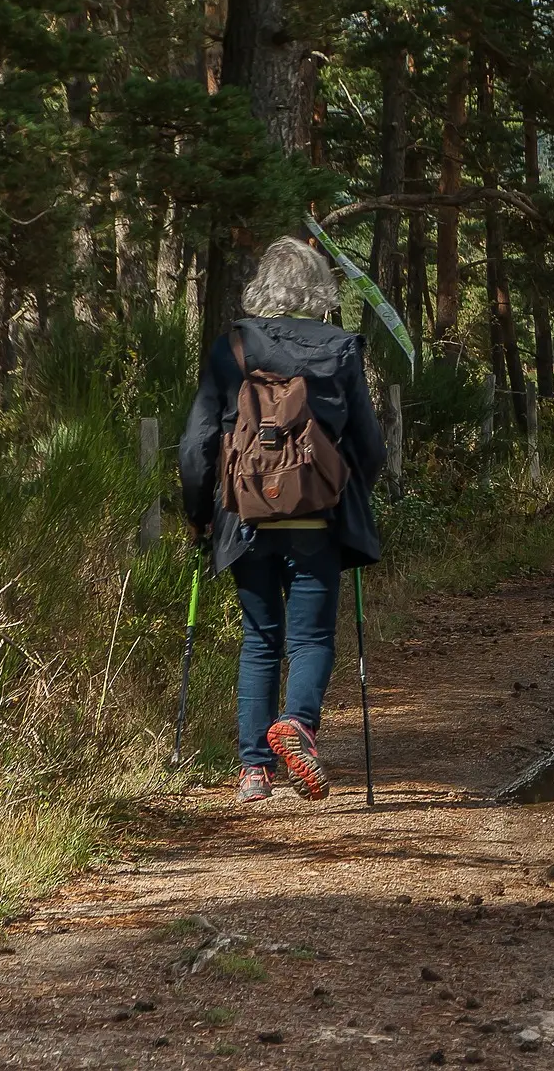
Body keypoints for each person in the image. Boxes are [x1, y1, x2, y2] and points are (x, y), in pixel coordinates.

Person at [179, 237, 384, 804]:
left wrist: (199, 518)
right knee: (312, 636)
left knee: (261, 639)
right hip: (317, 518)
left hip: (245, 521)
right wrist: (350, 493)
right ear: (318, 288)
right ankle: (297, 724)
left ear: (263, 286)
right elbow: (369, 447)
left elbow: (196, 444)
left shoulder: (232, 349)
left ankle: (253, 771)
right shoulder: (342, 348)